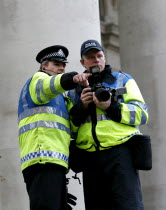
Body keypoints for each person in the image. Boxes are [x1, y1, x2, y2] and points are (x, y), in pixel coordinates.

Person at [68, 39, 149, 210]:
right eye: (90, 57)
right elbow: (70, 128)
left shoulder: (123, 80)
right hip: (90, 158)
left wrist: (111, 106)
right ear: (83, 62)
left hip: (120, 154)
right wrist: (81, 107)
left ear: (104, 58)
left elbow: (142, 114)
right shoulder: (74, 91)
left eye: (99, 56)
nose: (96, 60)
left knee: (128, 206)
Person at [17, 45, 90, 210]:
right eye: (56, 64)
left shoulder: (60, 96)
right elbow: (50, 85)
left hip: (54, 162)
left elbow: (72, 125)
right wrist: (72, 78)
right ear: (44, 66)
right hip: (42, 158)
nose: (61, 67)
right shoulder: (37, 80)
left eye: (63, 64)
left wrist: (83, 105)